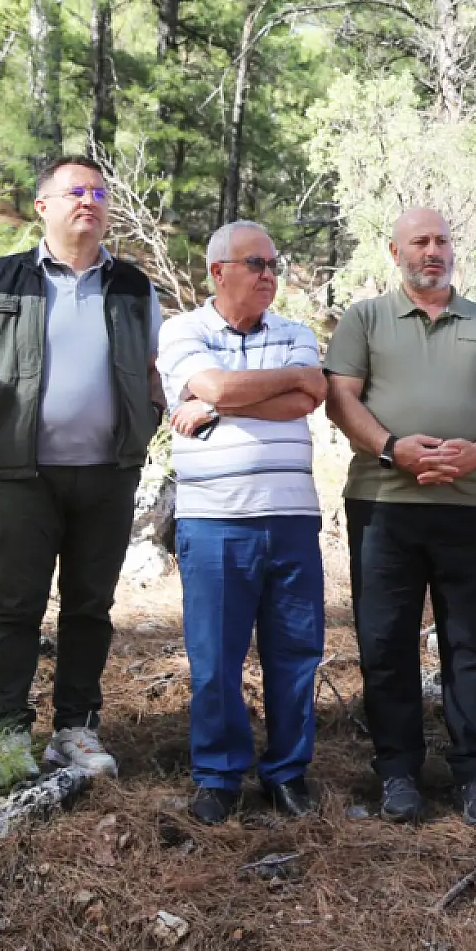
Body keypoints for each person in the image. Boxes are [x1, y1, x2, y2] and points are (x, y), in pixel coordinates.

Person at [0, 155, 164, 788]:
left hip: (108, 474)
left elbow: (154, 367)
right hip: (22, 475)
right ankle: (7, 734)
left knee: (90, 606)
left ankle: (76, 730)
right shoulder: (2, 278)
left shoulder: (134, 287)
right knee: (17, 604)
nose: (89, 201)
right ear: (42, 206)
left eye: (99, 193)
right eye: (75, 191)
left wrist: (155, 415)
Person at [324, 208, 476, 827]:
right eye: (420, 241)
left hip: (472, 507)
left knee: (473, 644)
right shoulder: (366, 318)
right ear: (396, 253)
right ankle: (397, 772)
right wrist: (393, 448)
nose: (434, 250)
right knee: (385, 642)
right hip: (384, 504)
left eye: (442, 239)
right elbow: (340, 399)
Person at [158, 221, 327, 825]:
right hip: (215, 521)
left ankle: (287, 773)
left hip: (292, 518)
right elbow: (217, 382)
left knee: (296, 654)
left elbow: (306, 398)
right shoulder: (182, 330)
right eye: (255, 263)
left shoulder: (296, 333)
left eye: (273, 264)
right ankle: (218, 776)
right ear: (218, 271)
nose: (268, 274)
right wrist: (224, 390)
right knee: (215, 660)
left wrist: (218, 403)